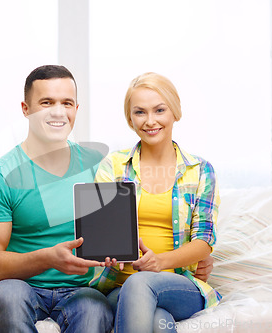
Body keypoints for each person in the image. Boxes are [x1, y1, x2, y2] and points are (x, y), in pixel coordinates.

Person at [0, 65, 114, 333]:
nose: (58, 112)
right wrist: (48, 258)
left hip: (81, 288)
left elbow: (123, 231)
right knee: (9, 298)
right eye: (46, 102)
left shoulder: (100, 169)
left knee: (95, 309)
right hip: (18, 284)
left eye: (67, 103)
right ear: (26, 109)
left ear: (76, 108)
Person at [91, 72, 221, 332]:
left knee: (141, 283)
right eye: (140, 112)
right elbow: (100, 234)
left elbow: (204, 241)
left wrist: (159, 262)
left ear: (174, 112)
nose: (150, 121)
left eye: (159, 110)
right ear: (130, 119)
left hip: (178, 284)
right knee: (158, 322)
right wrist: (106, 251)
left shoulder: (200, 170)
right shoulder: (114, 166)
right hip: (120, 285)